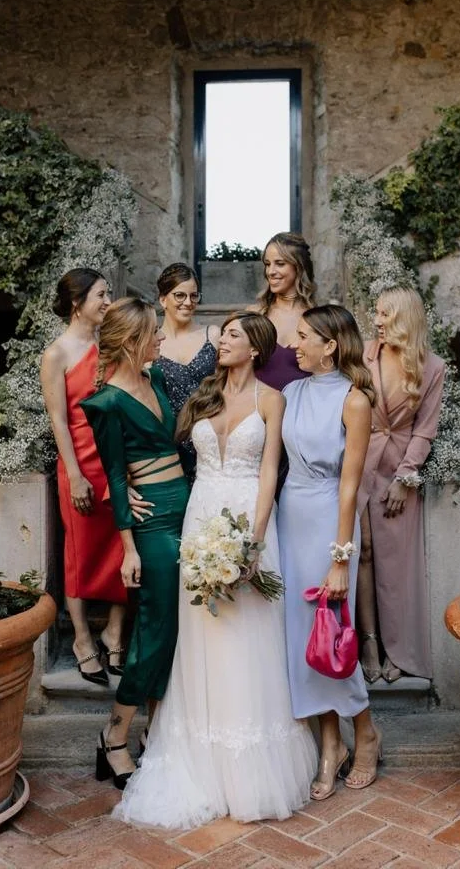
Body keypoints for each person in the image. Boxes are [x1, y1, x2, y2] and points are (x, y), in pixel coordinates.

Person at [117, 312, 317, 827]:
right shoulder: (201, 396)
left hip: (249, 518)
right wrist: (129, 485)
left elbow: (270, 470)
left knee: (249, 633)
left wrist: (255, 540)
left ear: (255, 349)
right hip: (200, 515)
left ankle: (248, 765)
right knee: (202, 632)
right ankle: (200, 756)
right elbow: (155, 445)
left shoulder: (272, 400)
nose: (221, 342)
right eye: (223, 334)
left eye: (231, 335)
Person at [80, 298, 190, 788]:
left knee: (177, 630)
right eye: (153, 332)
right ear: (131, 341)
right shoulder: (105, 403)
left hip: (185, 508)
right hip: (150, 526)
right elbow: (114, 475)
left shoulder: (157, 379)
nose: (162, 338)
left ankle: (155, 731)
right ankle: (115, 736)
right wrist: (128, 548)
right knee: (153, 630)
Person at [278, 304, 382, 797]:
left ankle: (365, 732)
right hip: (289, 516)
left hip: (328, 520)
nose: (293, 344)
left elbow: (350, 486)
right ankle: (330, 743)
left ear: (330, 346)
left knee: (333, 632)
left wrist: (340, 559)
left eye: (303, 337)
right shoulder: (290, 392)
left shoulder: (354, 400)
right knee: (306, 636)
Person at [40, 268, 126, 687]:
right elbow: (58, 419)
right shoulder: (55, 354)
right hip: (79, 462)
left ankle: (114, 632)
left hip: (114, 460)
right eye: (101, 295)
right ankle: (81, 639)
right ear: (78, 303)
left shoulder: (110, 346)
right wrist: (74, 475)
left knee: (122, 546)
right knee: (79, 552)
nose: (108, 302)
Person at [357, 287, 446, 685]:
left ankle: (399, 651)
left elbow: (425, 430)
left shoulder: (433, 367)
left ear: (405, 318)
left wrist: (404, 479)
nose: (377, 321)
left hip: (397, 472)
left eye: (385, 315)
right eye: (376, 313)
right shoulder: (364, 355)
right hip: (358, 464)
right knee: (360, 553)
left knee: (396, 565)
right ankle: (368, 645)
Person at [154, 262, 219, 480]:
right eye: (179, 295)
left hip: (209, 440)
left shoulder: (213, 335)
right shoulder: (151, 343)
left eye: (193, 296)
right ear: (163, 299)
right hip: (168, 446)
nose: (188, 303)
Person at [251, 231, 316, 391]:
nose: (270, 271)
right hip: (258, 404)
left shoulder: (318, 318)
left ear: (298, 267)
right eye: (267, 264)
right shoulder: (254, 314)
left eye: (280, 263)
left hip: (304, 404)